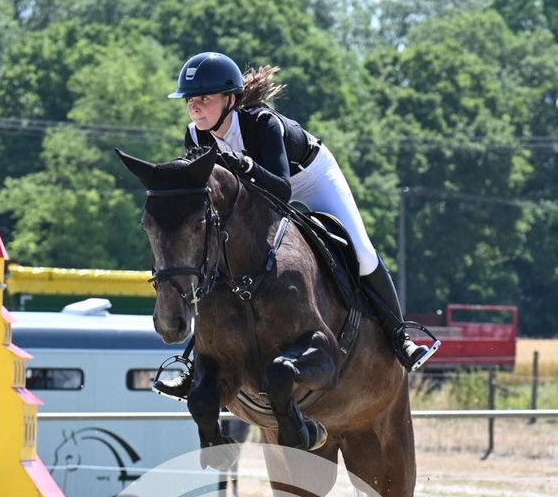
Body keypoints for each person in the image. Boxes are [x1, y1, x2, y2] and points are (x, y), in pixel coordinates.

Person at [161, 51, 436, 387]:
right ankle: (198, 365)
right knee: (213, 259)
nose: (194, 108)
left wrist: (244, 164)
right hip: (257, 194)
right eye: (190, 100)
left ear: (230, 100)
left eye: (204, 99)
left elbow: (282, 189)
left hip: (309, 175)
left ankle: (400, 337)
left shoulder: (262, 124)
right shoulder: (195, 136)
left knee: (362, 253)